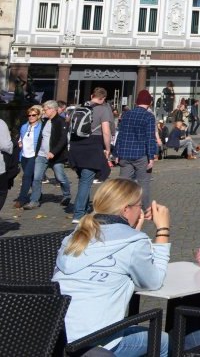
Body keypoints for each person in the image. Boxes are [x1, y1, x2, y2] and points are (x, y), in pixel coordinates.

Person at [53, 179, 171, 357]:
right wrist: (163, 229)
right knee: (165, 342)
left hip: (57, 336)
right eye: (139, 205)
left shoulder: (76, 236)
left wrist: (133, 232)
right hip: (96, 342)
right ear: (126, 209)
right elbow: (153, 281)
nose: (141, 209)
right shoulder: (133, 243)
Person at [71, 87, 115, 222]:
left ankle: (82, 209)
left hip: (76, 145)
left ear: (91, 95)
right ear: (103, 99)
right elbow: (106, 132)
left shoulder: (79, 107)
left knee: (84, 179)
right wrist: (108, 148)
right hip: (92, 145)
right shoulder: (103, 109)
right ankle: (78, 214)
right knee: (86, 180)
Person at [115, 90, 162, 211]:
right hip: (141, 155)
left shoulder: (126, 114)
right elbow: (149, 138)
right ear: (149, 103)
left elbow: (120, 135)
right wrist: (151, 157)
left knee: (123, 184)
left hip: (125, 154)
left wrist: (116, 153)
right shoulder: (148, 116)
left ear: (136, 102)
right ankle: (145, 209)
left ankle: (120, 207)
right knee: (143, 184)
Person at [15, 104, 47, 210]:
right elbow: (21, 137)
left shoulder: (41, 127)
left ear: (38, 116)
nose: (31, 117)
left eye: (33, 115)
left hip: (34, 155)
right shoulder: (25, 126)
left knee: (26, 176)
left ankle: (22, 199)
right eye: (29, 115)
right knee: (32, 177)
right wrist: (20, 142)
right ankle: (38, 194)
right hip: (24, 155)